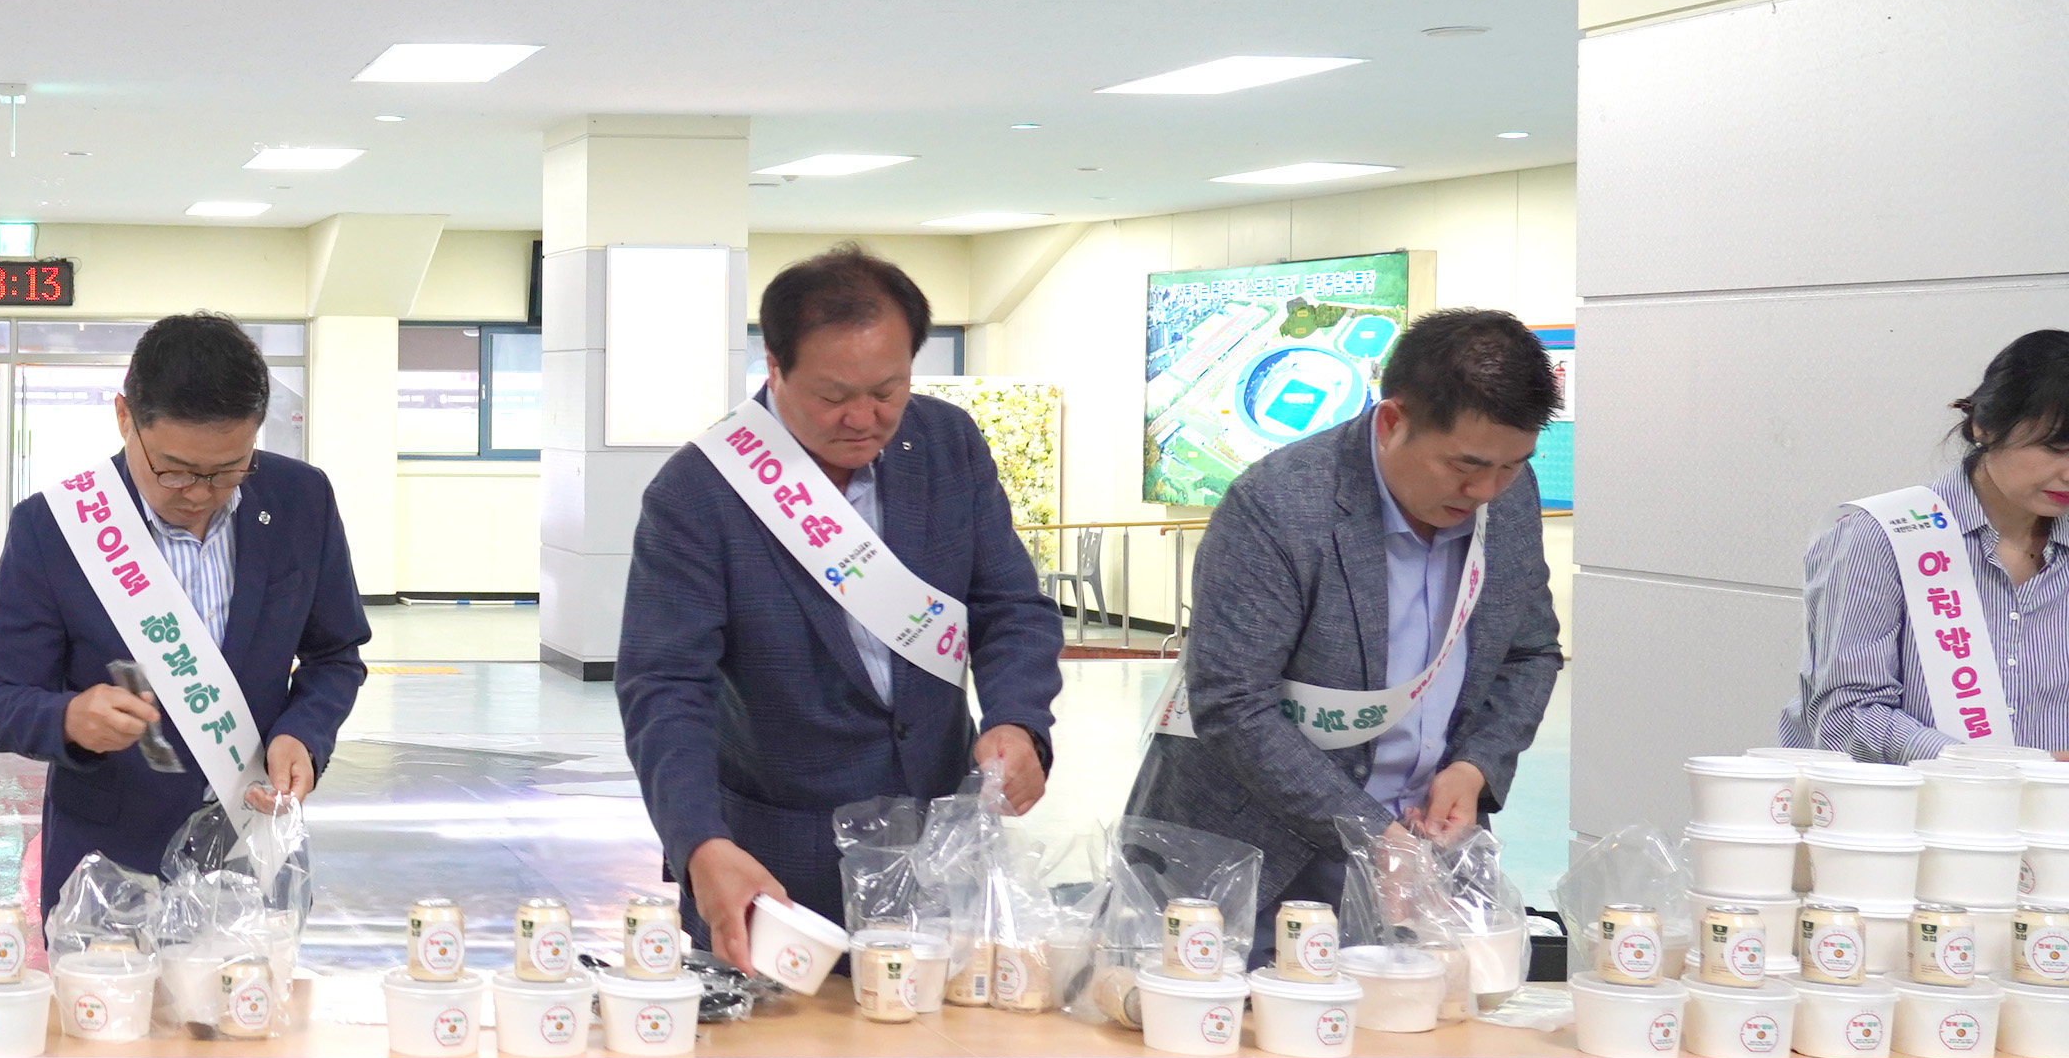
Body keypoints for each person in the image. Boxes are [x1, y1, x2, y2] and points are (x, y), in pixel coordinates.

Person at [617, 244, 1063, 959]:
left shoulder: (946, 445)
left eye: (888, 389)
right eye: (832, 396)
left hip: (945, 850)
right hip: (776, 868)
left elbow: (1009, 605)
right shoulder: (698, 494)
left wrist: (1018, 719)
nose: (863, 417)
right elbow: (665, 686)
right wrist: (699, 842)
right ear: (774, 365)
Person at [1126, 304, 1565, 912]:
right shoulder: (1278, 506)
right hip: (1257, 853)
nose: (1485, 490)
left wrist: (1474, 768)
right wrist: (1370, 833)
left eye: (1511, 466)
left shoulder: (1508, 501)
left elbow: (1531, 653)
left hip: (1429, 847)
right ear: (1392, 422)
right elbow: (1233, 702)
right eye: (1465, 465)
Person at [0, 311, 368, 906]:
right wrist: (68, 719)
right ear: (124, 417)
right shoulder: (54, 528)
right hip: (106, 868)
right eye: (175, 471)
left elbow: (335, 655)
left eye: (230, 469)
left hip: (254, 850)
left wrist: (303, 735)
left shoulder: (300, 500)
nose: (201, 494)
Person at [1787, 330, 2069, 760]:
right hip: (1903, 801)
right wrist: (1998, 770)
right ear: (1984, 425)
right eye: (2056, 447)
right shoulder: (1882, 536)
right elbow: (1847, 717)